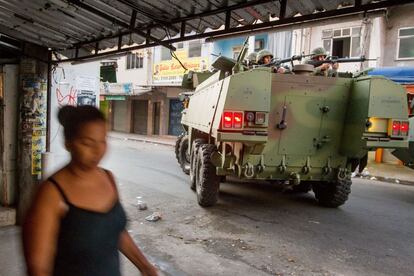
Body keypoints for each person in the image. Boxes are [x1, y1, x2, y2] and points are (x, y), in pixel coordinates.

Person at [23, 105, 158, 276]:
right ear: (68, 143)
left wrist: (145, 266)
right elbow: (38, 267)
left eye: (102, 141)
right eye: (87, 143)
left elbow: (113, 230)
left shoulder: (108, 178)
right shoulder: (51, 194)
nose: (97, 151)